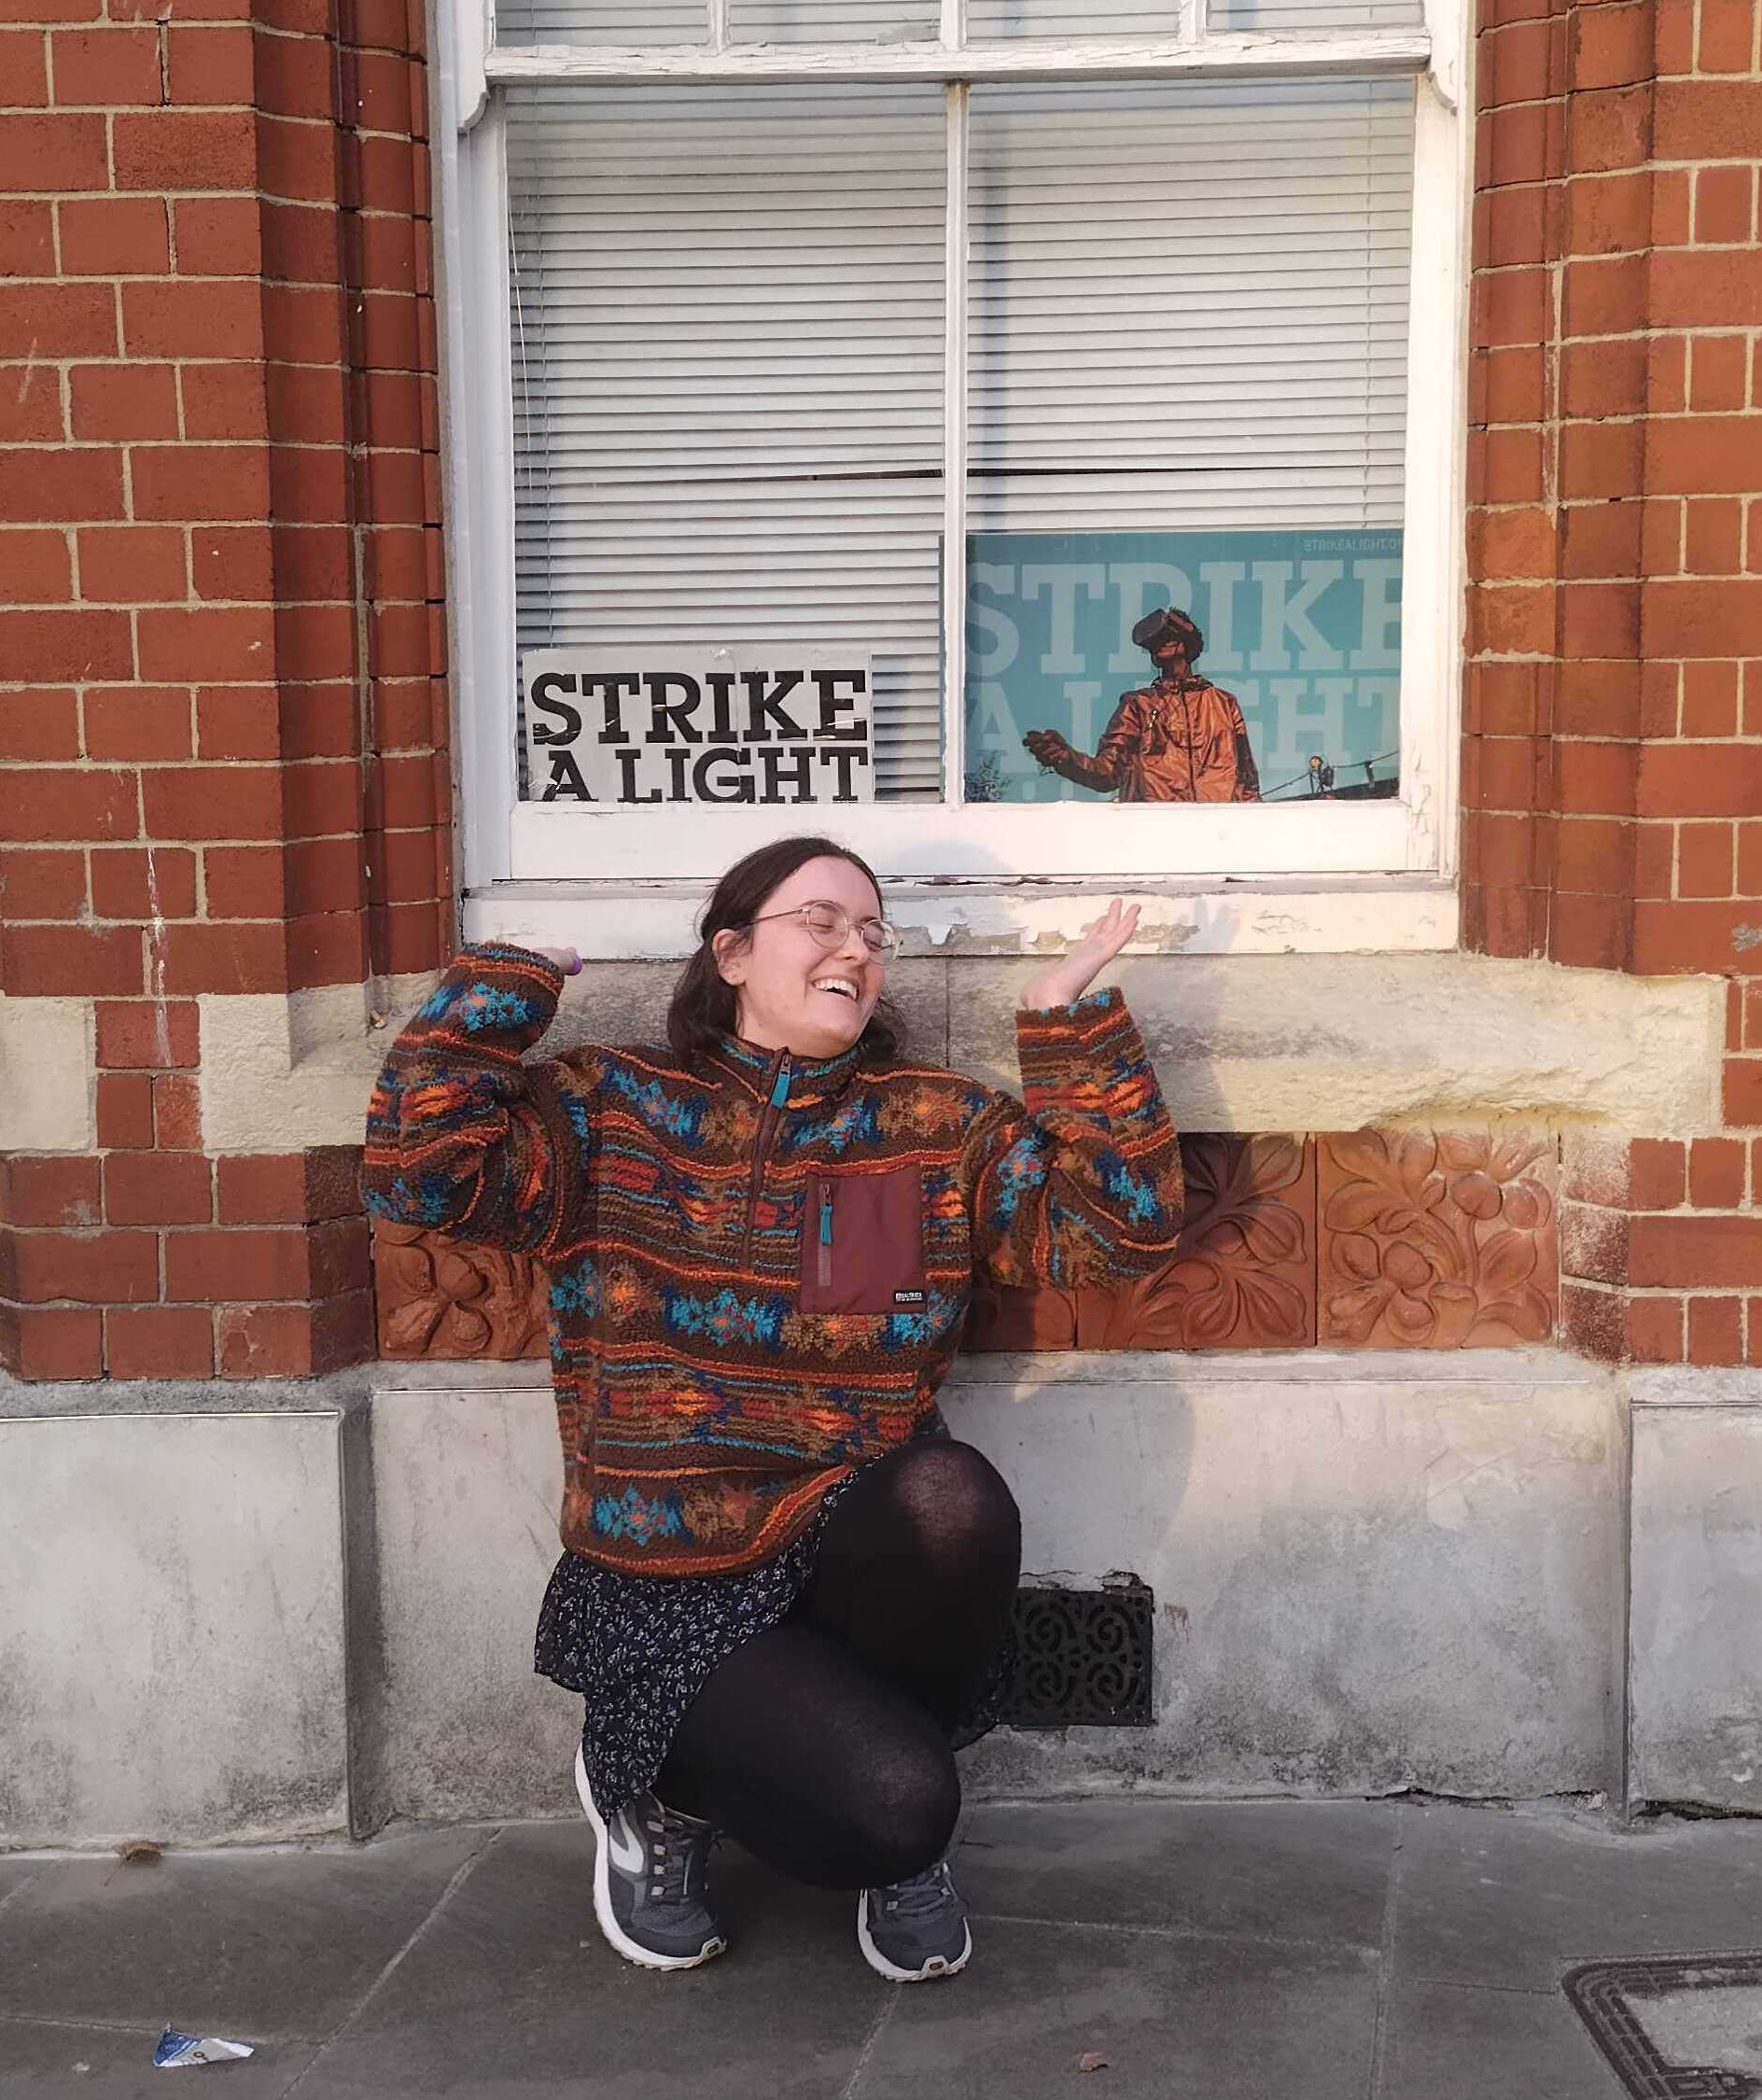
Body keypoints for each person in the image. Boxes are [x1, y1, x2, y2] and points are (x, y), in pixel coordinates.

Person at [361, 834, 1182, 1982]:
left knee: (952, 1498)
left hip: (844, 1553)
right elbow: (417, 1175)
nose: (856, 948)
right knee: (895, 1805)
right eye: (821, 921)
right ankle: (660, 1793)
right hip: (669, 1585)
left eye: (873, 932)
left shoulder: (938, 1127)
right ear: (733, 954)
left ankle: (890, 1815)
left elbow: (1119, 1235)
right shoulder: (611, 1107)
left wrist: (1063, 1018)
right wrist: (510, 979)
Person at [1023, 604, 1263, 803]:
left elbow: (1247, 784)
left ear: (1188, 642)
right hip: (1151, 833)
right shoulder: (1138, 705)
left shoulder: (1222, 704)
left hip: (1215, 833)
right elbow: (1107, 773)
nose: (1162, 642)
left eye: (1169, 635)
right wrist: (1066, 759)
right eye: (1155, 641)